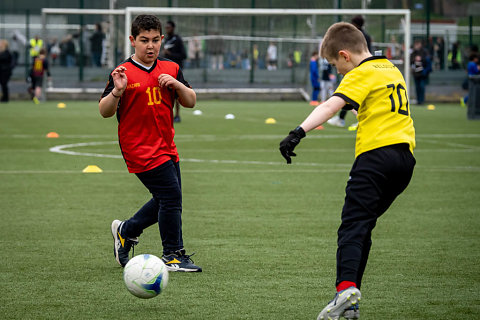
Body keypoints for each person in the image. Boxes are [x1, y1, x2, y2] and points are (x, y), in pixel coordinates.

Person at [279, 22, 416, 320]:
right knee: (363, 225)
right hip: (405, 161)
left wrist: (298, 132)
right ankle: (350, 303)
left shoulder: (361, 72)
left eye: (334, 64)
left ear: (345, 56)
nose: (337, 72)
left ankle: (345, 289)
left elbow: (330, 106)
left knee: (352, 224)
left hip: (375, 159)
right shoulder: (390, 68)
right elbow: (376, 104)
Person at [99, 14, 201, 272]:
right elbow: (104, 111)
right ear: (133, 40)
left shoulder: (171, 68)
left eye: (155, 40)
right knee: (171, 196)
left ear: (162, 40)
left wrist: (177, 85)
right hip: (139, 148)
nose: (150, 46)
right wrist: (117, 91)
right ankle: (173, 255)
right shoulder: (122, 72)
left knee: (167, 198)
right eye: (144, 40)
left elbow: (190, 101)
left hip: (167, 146)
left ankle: (126, 230)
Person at [328, 16, 372, 130]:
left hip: (356, 68)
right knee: (354, 97)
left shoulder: (355, 36)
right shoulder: (366, 36)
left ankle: (350, 119)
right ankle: (353, 118)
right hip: (367, 68)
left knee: (346, 95)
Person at [160, 20, 186, 123]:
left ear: (173, 28)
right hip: (166, 69)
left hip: (176, 69)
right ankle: (165, 114)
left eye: (168, 28)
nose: (167, 29)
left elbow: (184, 55)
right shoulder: (166, 40)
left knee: (176, 93)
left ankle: (177, 115)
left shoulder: (178, 40)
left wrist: (170, 54)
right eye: (166, 28)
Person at [411, 39, 432, 105]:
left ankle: (422, 100)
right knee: (417, 87)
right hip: (416, 74)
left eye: (418, 44)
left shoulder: (424, 52)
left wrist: (421, 59)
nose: (416, 46)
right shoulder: (413, 53)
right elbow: (410, 61)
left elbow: (428, 60)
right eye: (416, 44)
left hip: (423, 73)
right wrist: (415, 59)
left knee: (422, 87)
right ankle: (418, 101)